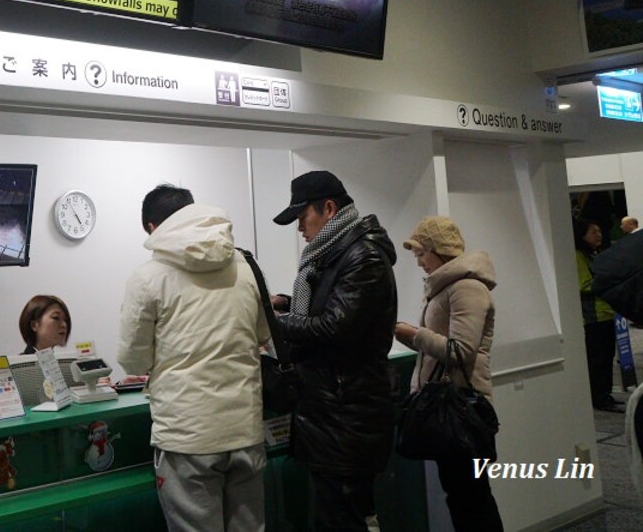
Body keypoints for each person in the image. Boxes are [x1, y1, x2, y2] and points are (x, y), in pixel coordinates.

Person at [118, 184, 269, 531]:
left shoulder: (147, 278)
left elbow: (133, 362)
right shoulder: (245, 265)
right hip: (245, 430)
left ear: (153, 228)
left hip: (186, 435)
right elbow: (263, 334)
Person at [270, 171, 397, 532]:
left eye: (301, 217)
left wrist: (272, 322)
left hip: (346, 418)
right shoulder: (336, 254)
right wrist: (286, 301)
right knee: (348, 515)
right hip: (335, 416)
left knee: (343, 519)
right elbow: (332, 306)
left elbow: (335, 325)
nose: (299, 228)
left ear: (328, 208)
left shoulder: (363, 256)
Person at [393, 216, 504, 531]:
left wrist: (413, 335)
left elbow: (460, 351)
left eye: (420, 253)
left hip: (462, 408)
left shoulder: (466, 287)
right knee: (463, 496)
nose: (418, 262)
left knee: (472, 499)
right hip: (451, 407)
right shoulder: (444, 287)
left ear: (437, 250)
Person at [575, 217, 621, 411]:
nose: (599, 235)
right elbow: (584, 285)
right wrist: (608, 281)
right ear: (582, 235)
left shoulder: (594, 254)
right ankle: (599, 397)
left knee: (607, 356)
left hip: (606, 314)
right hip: (593, 318)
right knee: (598, 360)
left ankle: (606, 394)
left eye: (600, 232)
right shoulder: (578, 256)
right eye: (594, 232)